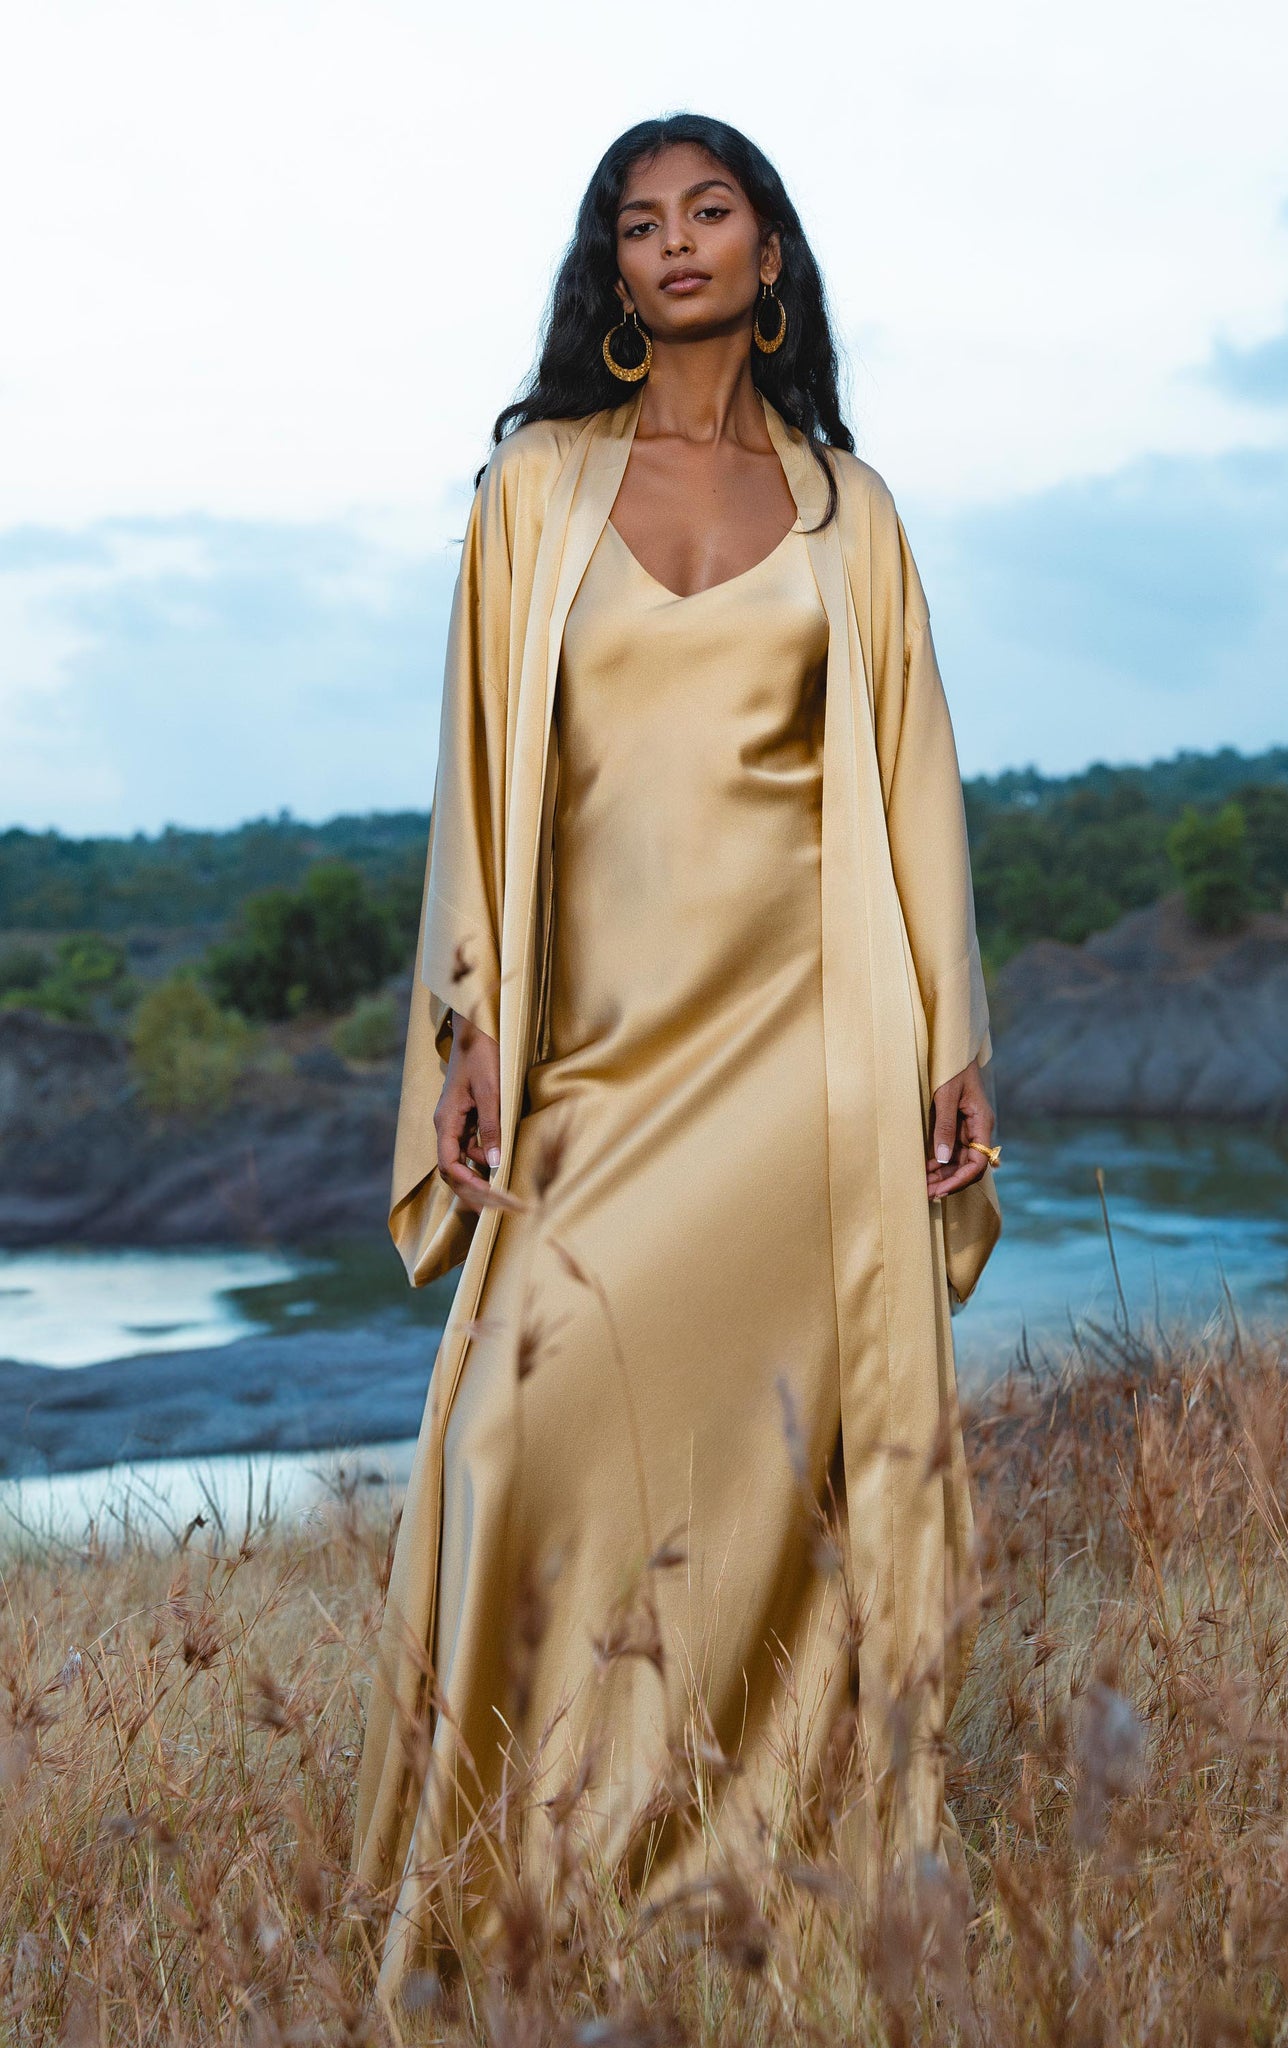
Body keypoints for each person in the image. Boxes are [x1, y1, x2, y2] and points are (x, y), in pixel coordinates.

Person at [351, 112, 1001, 1997]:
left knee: (780, 1485)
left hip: (809, 1058)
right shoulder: (536, 495)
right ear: (610, 272)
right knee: (513, 1443)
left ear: (770, 254)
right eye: (640, 224)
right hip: (601, 1060)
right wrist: (469, 1027)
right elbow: (483, 785)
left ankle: (747, 1871)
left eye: (710, 211)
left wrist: (948, 1045)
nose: (677, 243)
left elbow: (915, 787)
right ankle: (510, 1869)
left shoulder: (847, 518)